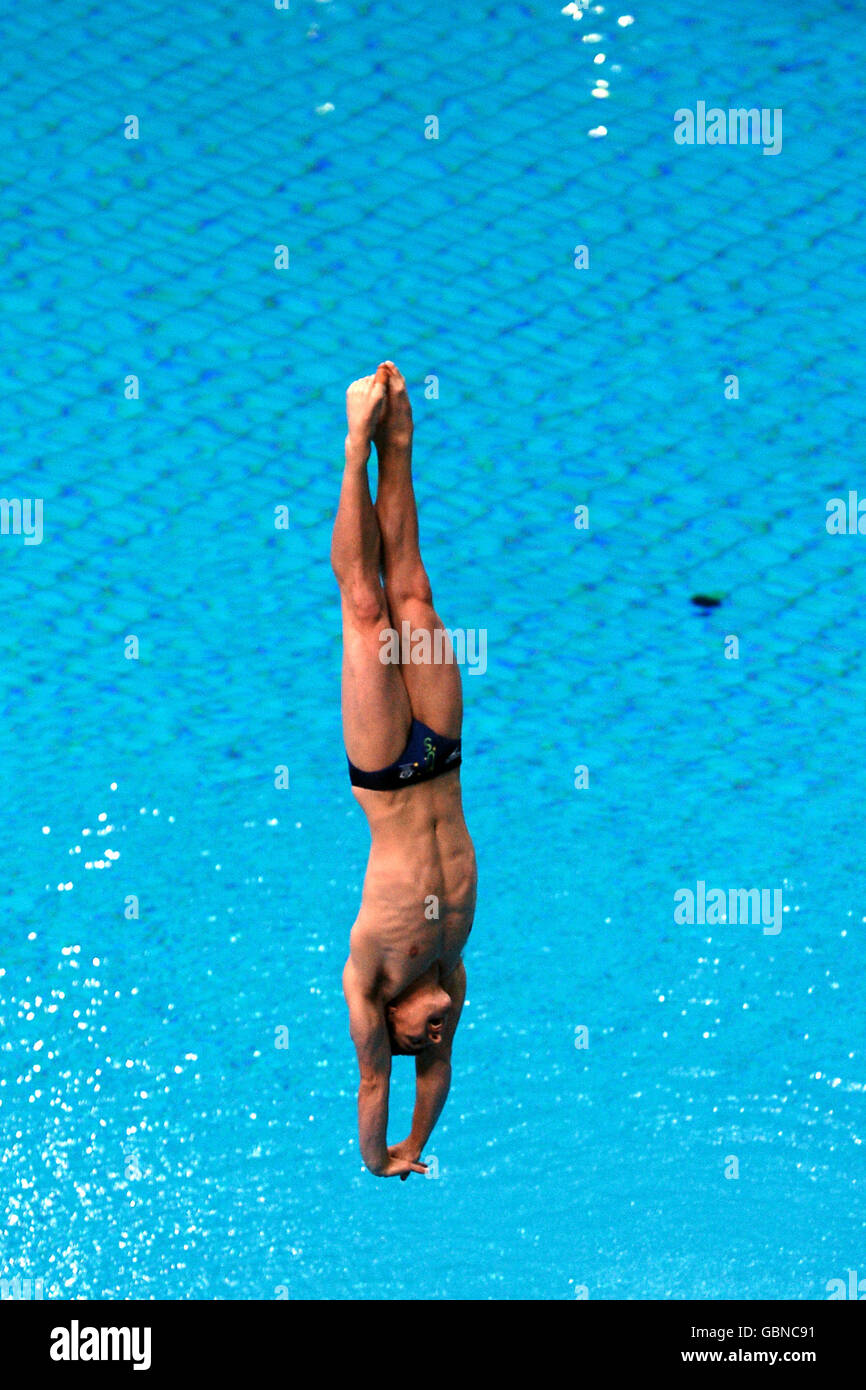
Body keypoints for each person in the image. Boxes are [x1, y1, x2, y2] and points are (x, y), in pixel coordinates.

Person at [332, 361, 477, 1179]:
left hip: (388, 770)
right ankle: (402, 441)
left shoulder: (373, 975)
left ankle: (355, 444)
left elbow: (371, 1083)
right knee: (413, 590)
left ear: (389, 1018)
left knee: (365, 605)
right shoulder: (448, 962)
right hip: (444, 755)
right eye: (441, 1027)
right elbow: (439, 1072)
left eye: (427, 1028)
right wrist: (419, 1148)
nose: (445, 1021)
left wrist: (378, 1156)